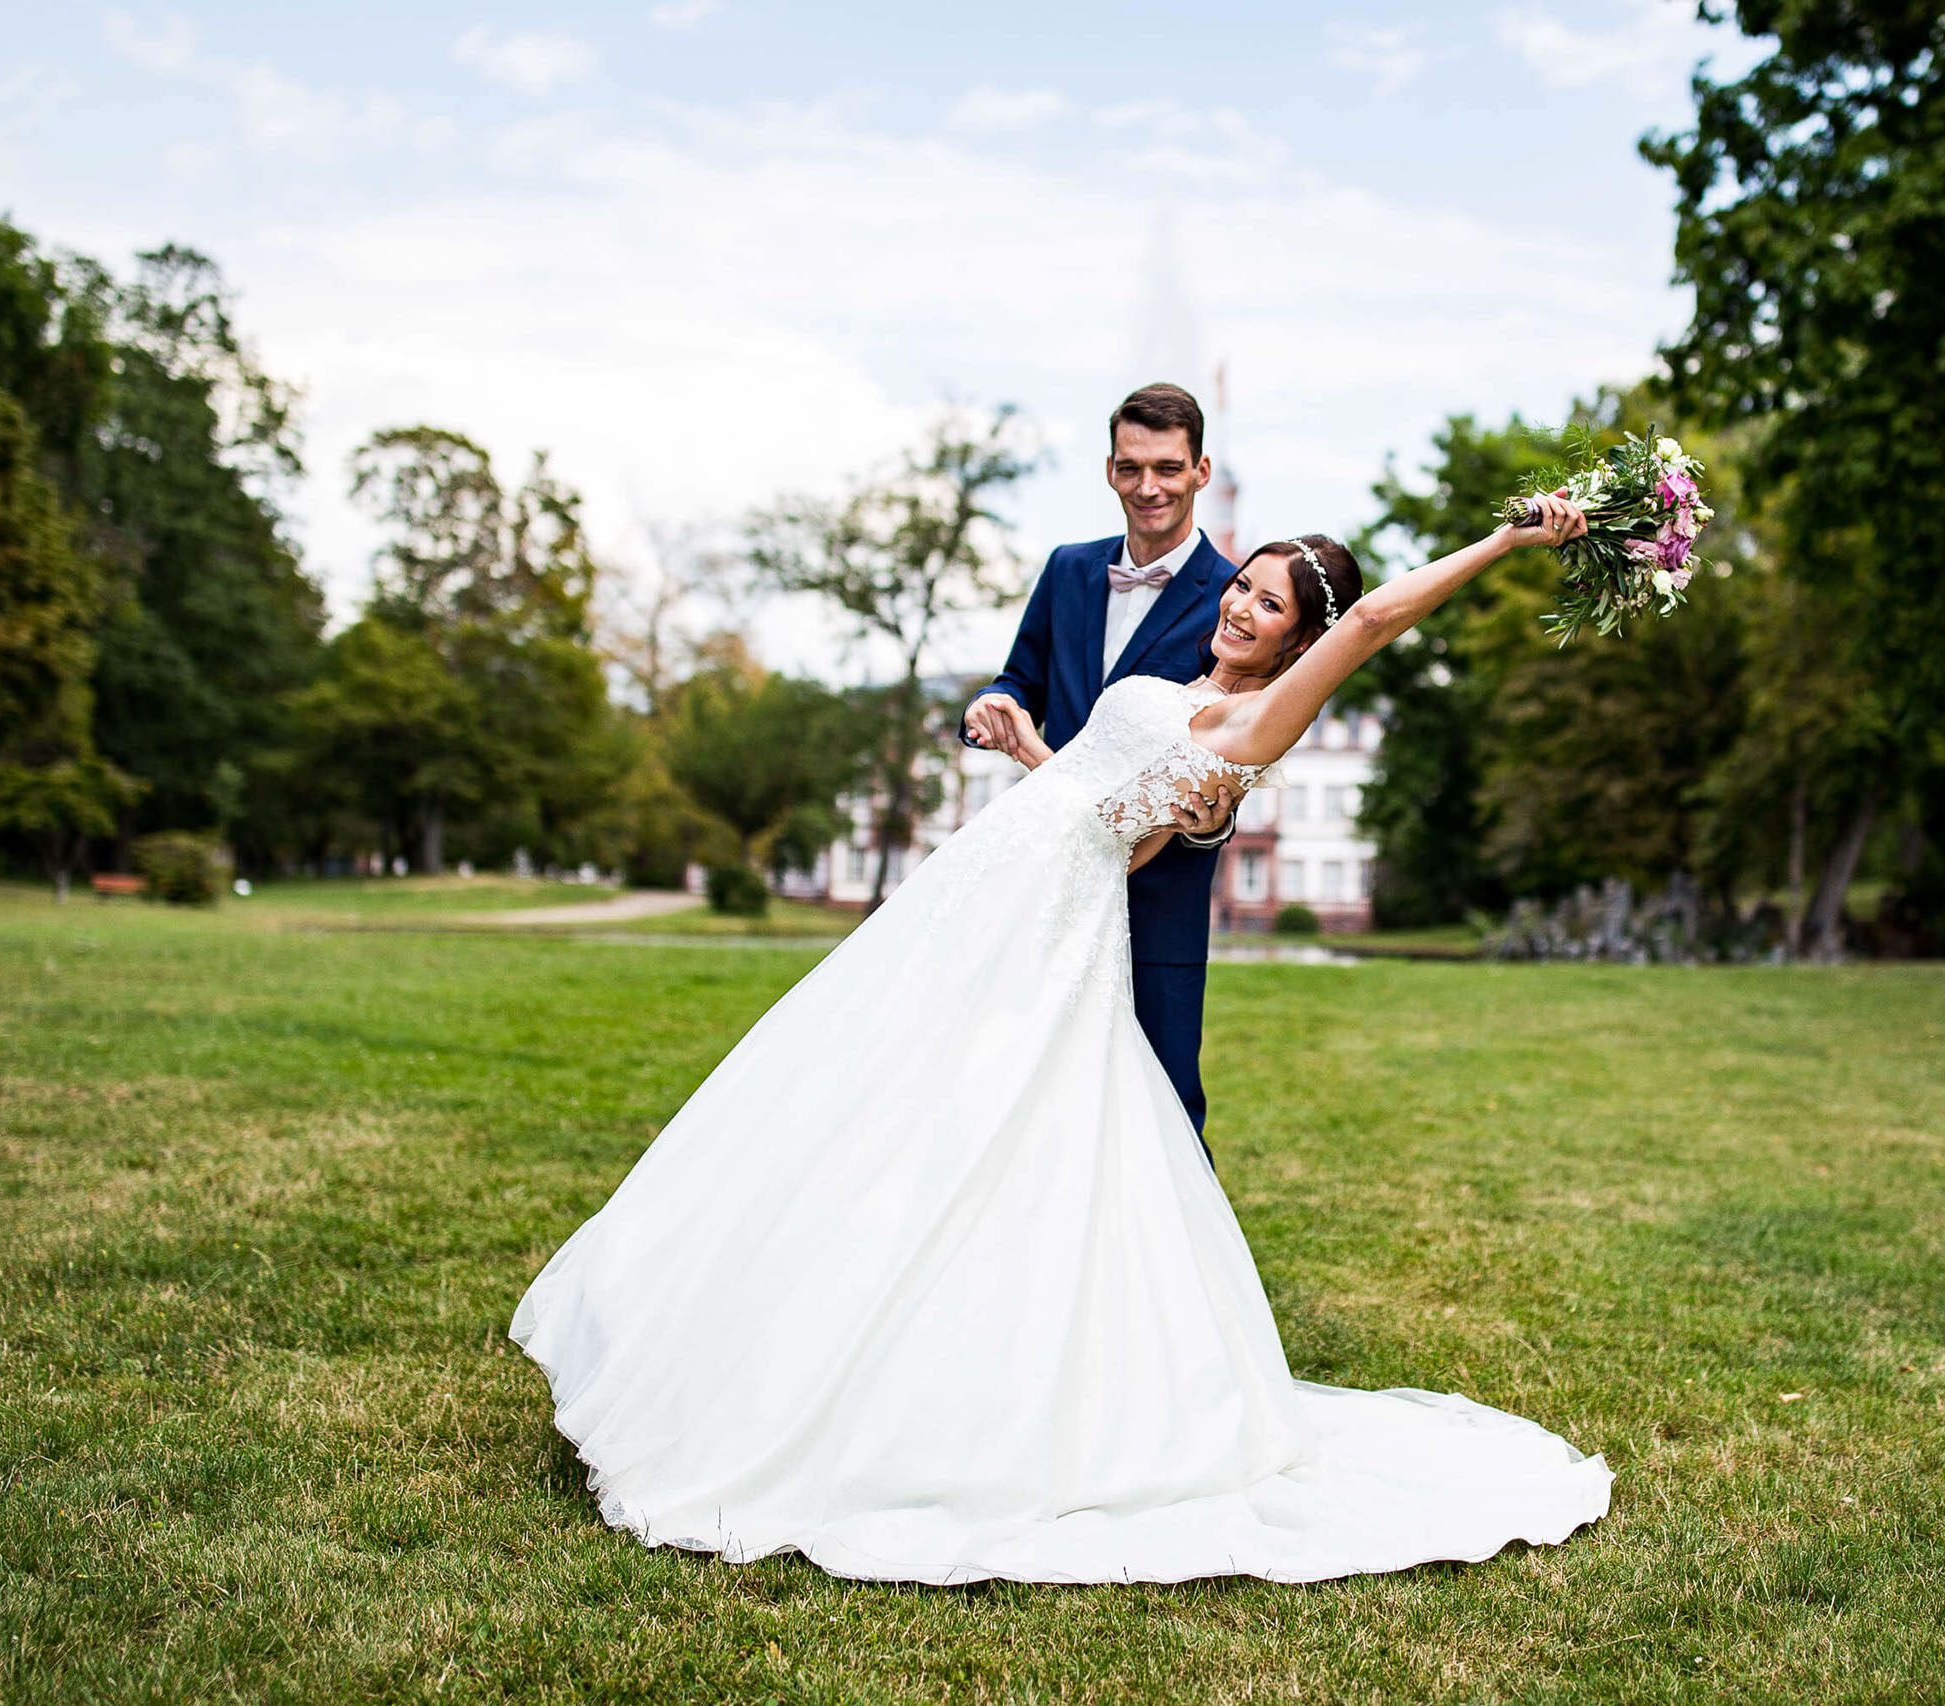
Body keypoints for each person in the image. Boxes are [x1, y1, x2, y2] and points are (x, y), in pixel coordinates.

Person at [512, 492, 1610, 1587]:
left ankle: (919, 1397)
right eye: (1239, 584)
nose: (1235, 605)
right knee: (879, 1102)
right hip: (988, 897)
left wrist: (1512, 538)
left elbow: (1370, 621)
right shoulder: (1181, 695)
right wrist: (1032, 742)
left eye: (1266, 601)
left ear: (1299, 637)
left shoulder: (1259, 720)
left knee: (994, 1130)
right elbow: (1110, 831)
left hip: (1047, 936)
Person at [965, 383, 1238, 1142]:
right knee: (1022, 1077)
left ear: (1200, 470)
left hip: (1162, 893)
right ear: (1109, 470)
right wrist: (990, 706)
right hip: (1047, 871)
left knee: (1163, 1096)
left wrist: (1213, 826)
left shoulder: (1232, 600)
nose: (1148, 487)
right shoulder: (1066, 570)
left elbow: (1242, 742)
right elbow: (1019, 677)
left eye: (1167, 468)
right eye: (1129, 468)